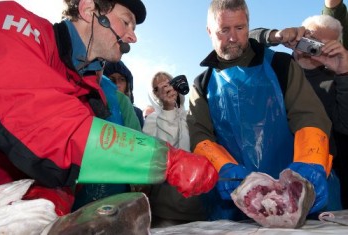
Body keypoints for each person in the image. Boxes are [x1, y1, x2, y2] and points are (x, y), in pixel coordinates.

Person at [0, 0, 218, 221]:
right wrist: (169, 161)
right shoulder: (15, 24)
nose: (132, 37)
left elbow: (69, 158)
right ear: (88, 9)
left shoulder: (88, 93)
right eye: (126, 22)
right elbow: (53, 126)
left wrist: (55, 193)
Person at [187, 0, 339, 221]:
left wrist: (311, 162)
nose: (232, 37)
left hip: (299, 194)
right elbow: (200, 135)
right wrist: (223, 168)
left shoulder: (281, 64)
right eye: (224, 30)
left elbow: (309, 115)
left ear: (248, 26)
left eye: (239, 28)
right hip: (235, 201)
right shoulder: (202, 84)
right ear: (209, 31)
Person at [249, 15, 348, 209]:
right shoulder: (275, 65)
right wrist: (276, 36)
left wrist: (344, 73)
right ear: (300, 35)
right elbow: (244, 41)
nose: (314, 48)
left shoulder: (336, 79)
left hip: (318, 174)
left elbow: (345, 126)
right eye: (311, 40)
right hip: (269, 170)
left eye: (324, 44)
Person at [143, 72, 207, 228]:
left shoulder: (192, 116)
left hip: (200, 208)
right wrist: (168, 110)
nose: (166, 88)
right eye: (158, 88)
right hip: (166, 211)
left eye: (168, 82)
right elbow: (163, 156)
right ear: (154, 95)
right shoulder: (151, 120)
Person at [103, 61, 144, 128]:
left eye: (122, 79)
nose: (117, 84)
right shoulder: (96, 104)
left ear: (127, 86)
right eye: (111, 79)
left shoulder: (137, 112)